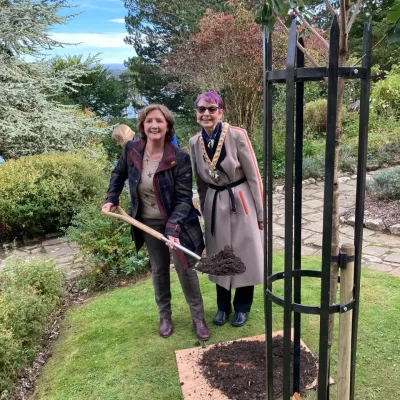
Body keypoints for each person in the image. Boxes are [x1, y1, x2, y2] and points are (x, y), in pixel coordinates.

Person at [102, 104, 210, 340]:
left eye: (159, 121)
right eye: (149, 120)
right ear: (142, 125)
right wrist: (111, 198)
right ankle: (165, 316)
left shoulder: (179, 158)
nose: (154, 125)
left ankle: (198, 318)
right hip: (148, 223)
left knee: (186, 269)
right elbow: (118, 174)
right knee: (159, 270)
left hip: (179, 223)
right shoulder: (132, 150)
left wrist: (173, 229)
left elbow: (183, 199)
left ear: (168, 126)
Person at [189, 91, 264, 328]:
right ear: (196, 113)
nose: (206, 114)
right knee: (219, 255)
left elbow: (254, 177)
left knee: (244, 254)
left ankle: (242, 307)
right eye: (202, 109)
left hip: (240, 200)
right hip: (213, 202)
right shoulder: (194, 142)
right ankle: (223, 306)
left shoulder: (237, 135)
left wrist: (261, 213)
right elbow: (200, 182)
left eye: (212, 109)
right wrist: (204, 209)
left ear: (220, 112)